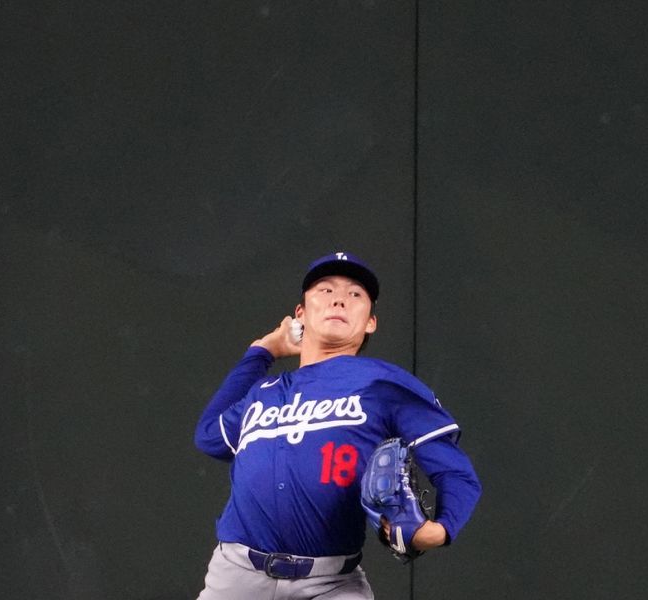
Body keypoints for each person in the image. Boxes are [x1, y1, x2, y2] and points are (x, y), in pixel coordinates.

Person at [194, 251, 481, 599]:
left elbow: (457, 473)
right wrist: (262, 351)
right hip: (236, 575)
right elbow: (210, 436)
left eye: (355, 294)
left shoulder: (384, 383)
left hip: (330, 583)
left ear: (371, 322)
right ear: (300, 313)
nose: (339, 300)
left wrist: (441, 529)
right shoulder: (264, 393)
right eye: (325, 290)